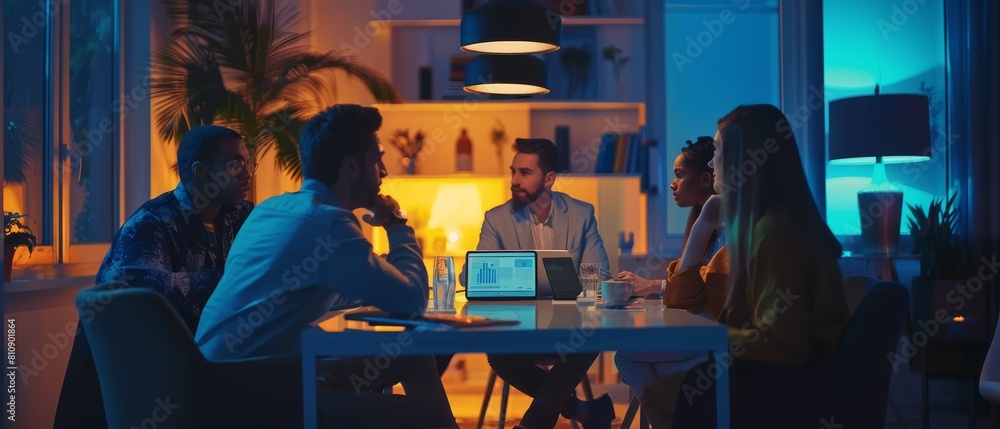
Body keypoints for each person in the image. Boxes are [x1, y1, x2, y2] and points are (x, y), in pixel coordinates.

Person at [194, 104, 456, 428]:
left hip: (225, 374)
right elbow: (412, 300)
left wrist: (376, 274)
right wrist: (397, 224)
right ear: (351, 166)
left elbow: (301, 292)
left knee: (417, 360)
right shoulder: (330, 224)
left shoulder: (273, 209)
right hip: (251, 393)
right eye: (377, 159)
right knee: (426, 415)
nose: (384, 171)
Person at [641, 104, 850, 428]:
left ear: (745, 160)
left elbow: (783, 343)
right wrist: (701, 227)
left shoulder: (775, 233)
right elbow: (686, 299)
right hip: (791, 377)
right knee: (670, 383)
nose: (712, 162)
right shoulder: (770, 225)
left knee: (661, 392)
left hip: (789, 387)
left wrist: (708, 337)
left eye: (720, 151)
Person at [55, 125, 256, 429]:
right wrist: (233, 281)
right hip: (136, 383)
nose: (247, 172)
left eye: (248, 162)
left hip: (198, 364)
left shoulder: (238, 215)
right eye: (234, 164)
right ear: (199, 171)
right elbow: (140, 305)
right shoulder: (150, 225)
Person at [462, 137, 615, 429]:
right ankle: (584, 411)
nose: (515, 180)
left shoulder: (581, 214)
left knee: (589, 339)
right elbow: (472, 278)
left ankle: (534, 424)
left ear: (549, 178)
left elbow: (600, 277)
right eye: (513, 171)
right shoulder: (497, 218)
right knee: (497, 354)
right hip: (518, 331)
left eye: (525, 173)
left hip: (569, 330)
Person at [613, 136, 725, 407]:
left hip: (720, 335)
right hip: (711, 329)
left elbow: (698, 291)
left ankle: (670, 419)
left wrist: (652, 286)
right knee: (657, 368)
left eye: (679, 175)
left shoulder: (722, 230)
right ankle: (679, 417)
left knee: (626, 356)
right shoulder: (706, 221)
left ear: (706, 179)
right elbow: (696, 286)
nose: (673, 183)